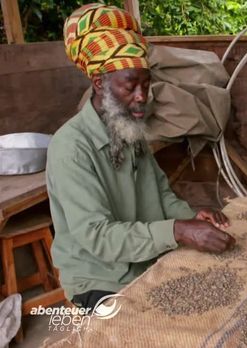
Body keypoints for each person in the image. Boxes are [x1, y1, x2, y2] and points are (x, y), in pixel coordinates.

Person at [46, 3, 235, 310]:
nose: (141, 97)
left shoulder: (128, 128)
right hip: (99, 278)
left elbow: (159, 193)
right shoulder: (71, 147)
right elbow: (97, 236)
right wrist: (177, 230)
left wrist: (188, 215)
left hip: (143, 260)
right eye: (130, 86)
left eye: (146, 85)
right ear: (99, 83)